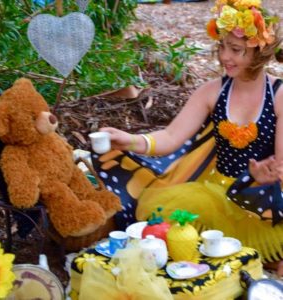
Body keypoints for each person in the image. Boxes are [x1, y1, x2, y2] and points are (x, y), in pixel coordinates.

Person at [100, 0, 283, 275]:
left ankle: (257, 255)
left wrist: (264, 177)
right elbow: (171, 136)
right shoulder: (212, 92)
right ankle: (242, 257)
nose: (224, 57)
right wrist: (130, 140)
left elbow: (280, 164)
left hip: (264, 198)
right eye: (222, 46)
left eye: (235, 50)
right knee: (161, 211)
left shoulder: (279, 95)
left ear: (259, 52)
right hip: (216, 195)